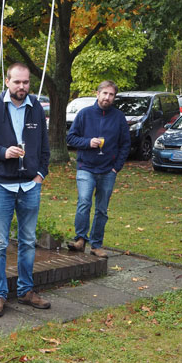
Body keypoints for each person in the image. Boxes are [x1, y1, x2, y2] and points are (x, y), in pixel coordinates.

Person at [0, 62, 51, 317]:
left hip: (30, 186)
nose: (22, 87)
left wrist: (40, 174)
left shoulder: (36, 107)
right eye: (17, 82)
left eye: (26, 82)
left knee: (28, 241)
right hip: (2, 186)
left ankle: (26, 291)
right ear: (7, 82)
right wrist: (2, 152)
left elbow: (45, 146)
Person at [66, 80, 130, 259]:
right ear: (97, 94)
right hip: (86, 167)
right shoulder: (84, 114)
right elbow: (71, 138)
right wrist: (88, 142)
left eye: (111, 95)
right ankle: (80, 239)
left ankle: (96, 244)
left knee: (102, 209)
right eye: (105, 94)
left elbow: (125, 144)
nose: (107, 98)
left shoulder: (118, 117)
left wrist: (116, 167)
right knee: (84, 202)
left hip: (108, 170)